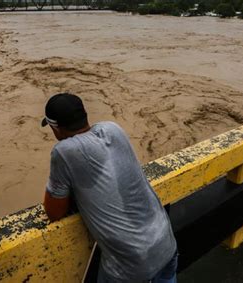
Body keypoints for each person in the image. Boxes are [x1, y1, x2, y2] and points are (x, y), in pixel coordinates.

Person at [41, 93, 178, 282]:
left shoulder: (63, 152)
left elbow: (54, 212)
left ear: (55, 127)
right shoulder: (113, 129)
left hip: (130, 266)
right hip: (166, 243)